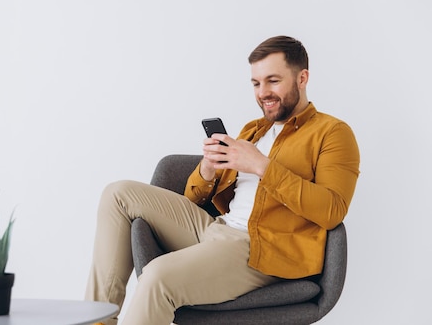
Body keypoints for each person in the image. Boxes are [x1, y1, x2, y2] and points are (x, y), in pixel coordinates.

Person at [85, 35, 360, 325]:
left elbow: (332, 211)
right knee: (118, 193)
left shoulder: (333, 133)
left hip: (260, 250)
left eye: (273, 81)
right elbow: (192, 200)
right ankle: (98, 320)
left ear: (302, 78)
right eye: (256, 83)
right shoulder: (254, 130)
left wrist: (262, 166)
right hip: (217, 228)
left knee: (157, 276)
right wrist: (207, 170)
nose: (263, 92)